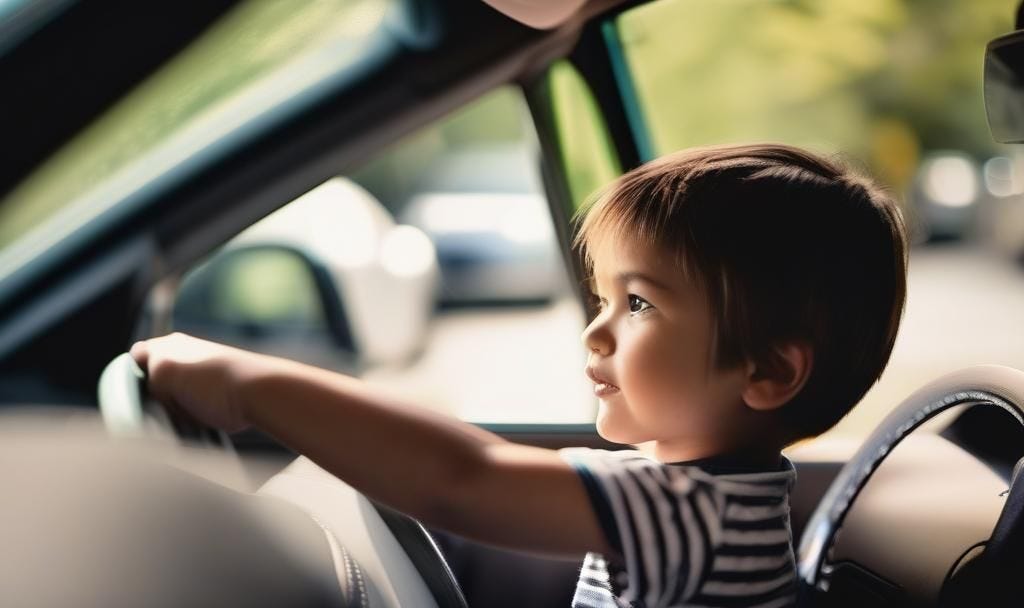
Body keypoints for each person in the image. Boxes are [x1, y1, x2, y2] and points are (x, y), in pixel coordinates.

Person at [131, 143, 907, 608]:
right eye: (603, 298)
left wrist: (246, 385)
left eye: (638, 304)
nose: (597, 329)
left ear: (768, 372)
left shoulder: (692, 513)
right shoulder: (718, 498)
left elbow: (459, 480)